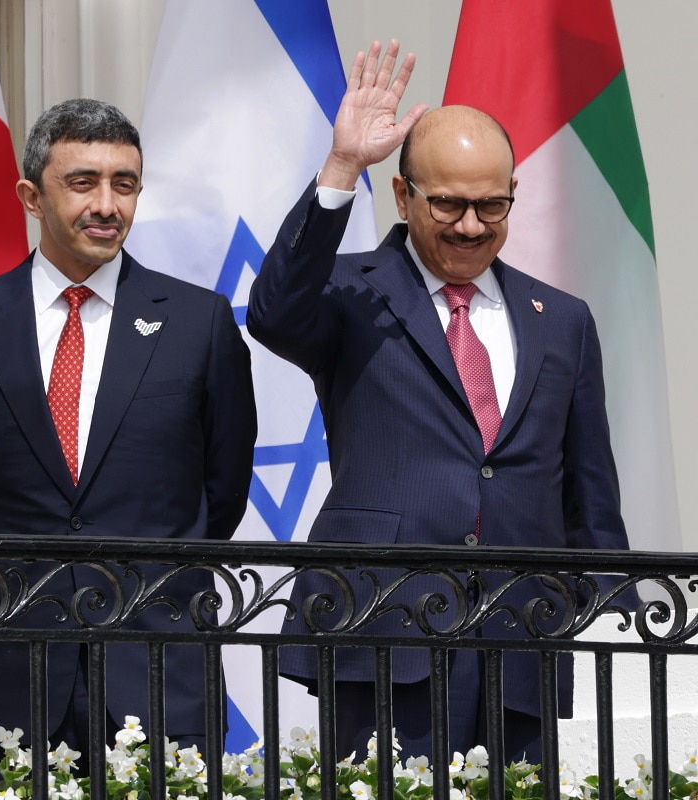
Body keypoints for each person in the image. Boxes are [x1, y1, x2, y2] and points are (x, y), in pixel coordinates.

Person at [246, 41, 629, 763]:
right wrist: (341, 168)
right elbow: (272, 313)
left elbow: (588, 487)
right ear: (403, 195)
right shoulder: (351, 292)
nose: (471, 225)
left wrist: (617, 614)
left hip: (523, 634)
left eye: (493, 204)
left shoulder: (564, 319)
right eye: (449, 203)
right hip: (381, 624)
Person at [0, 98, 257, 760]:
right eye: (83, 182)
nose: (107, 205)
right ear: (31, 195)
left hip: (159, 666)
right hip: (12, 669)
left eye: (124, 183)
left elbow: (220, 490)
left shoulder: (200, 324)